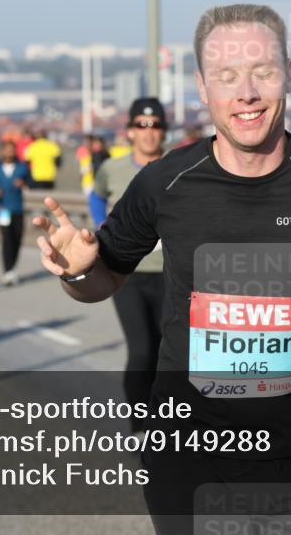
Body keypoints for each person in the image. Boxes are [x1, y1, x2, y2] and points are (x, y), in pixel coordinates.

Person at [33, 4, 291, 534]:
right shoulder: (165, 183)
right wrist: (76, 273)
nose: (246, 92)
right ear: (202, 87)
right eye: (226, 76)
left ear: (288, 73)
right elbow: (102, 281)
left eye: (262, 72)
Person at [89, 98, 168, 435]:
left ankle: (166, 423)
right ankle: (141, 427)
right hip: (127, 275)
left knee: (169, 355)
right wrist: (101, 228)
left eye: (155, 125)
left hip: (173, 276)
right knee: (142, 350)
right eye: (141, 125)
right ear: (130, 131)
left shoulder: (179, 167)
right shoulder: (113, 169)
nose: (148, 132)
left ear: (164, 130)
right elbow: (96, 195)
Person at [0, 141, 31, 286]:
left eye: (12, 150)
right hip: (2, 209)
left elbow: (30, 182)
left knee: (17, 238)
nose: (9, 153)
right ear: (1, 152)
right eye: (6, 150)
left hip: (18, 207)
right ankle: (8, 271)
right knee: (6, 238)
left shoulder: (22, 168)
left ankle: (12, 267)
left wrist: (24, 184)